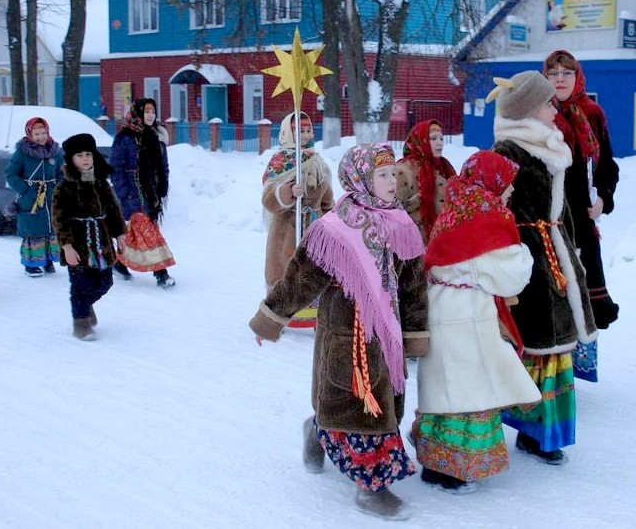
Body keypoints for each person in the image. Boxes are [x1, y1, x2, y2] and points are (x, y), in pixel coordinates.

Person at [249, 143, 428, 521]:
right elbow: (299, 280)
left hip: (387, 337)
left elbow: (413, 287)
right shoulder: (333, 229)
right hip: (347, 337)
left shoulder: (402, 224)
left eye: (393, 173)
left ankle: (317, 431)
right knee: (358, 404)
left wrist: (414, 334)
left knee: (374, 403)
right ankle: (371, 487)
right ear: (360, 178)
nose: (392, 180)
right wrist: (271, 318)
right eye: (382, 174)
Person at [411, 150, 540, 493]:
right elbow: (511, 274)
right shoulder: (486, 215)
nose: (511, 192)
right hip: (464, 317)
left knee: (447, 389)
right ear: (491, 183)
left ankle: (438, 461)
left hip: (446, 309)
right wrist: (526, 252)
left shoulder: (459, 207)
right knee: (467, 392)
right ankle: (449, 471)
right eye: (507, 185)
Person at [488, 70, 598, 465]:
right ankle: (529, 430)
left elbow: (559, 210)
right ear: (528, 108)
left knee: (555, 347)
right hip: (528, 261)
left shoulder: (549, 147)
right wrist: (525, 255)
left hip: (554, 253)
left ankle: (543, 433)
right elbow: (497, 213)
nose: (555, 108)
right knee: (536, 344)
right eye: (548, 102)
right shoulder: (508, 152)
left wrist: (569, 246)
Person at [545, 50, 621, 381]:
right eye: (553, 73)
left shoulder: (592, 114)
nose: (560, 79)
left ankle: (577, 367)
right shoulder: (538, 113)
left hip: (582, 221)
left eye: (567, 72)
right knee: (552, 296)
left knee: (582, 297)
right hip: (546, 221)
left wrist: (604, 198)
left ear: (578, 77)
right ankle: (552, 370)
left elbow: (607, 167)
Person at [262, 112, 334, 328]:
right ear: (289, 133)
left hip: (314, 229)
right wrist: (288, 191)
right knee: (285, 271)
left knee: (313, 270)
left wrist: (330, 217)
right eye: (300, 131)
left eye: (308, 130)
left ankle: (314, 316)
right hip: (287, 230)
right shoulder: (280, 162)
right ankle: (277, 317)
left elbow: (326, 197)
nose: (305, 135)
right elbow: (268, 198)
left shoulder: (316, 161)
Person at [52, 133, 126, 341]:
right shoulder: (64, 188)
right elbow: (59, 219)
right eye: (79, 156)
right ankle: (81, 323)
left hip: (101, 242)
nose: (85, 159)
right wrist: (66, 246)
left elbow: (113, 209)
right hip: (77, 244)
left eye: (88, 154)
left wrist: (119, 234)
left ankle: (85, 304)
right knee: (80, 285)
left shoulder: (101, 183)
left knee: (105, 282)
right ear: (71, 160)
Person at [109, 97, 177, 289]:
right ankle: (161, 273)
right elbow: (115, 168)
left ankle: (119, 263)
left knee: (134, 233)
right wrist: (123, 193)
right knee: (149, 232)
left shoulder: (157, 136)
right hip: (132, 192)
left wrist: (163, 187)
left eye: (153, 111)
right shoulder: (126, 137)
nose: (150, 115)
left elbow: (163, 165)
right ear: (138, 112)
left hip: (151, 193)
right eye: (146, 111)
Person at [4, 117, 64, 277]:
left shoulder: (55, 151)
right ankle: (31, 263)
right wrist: (25, 189)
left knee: (51, 228)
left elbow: (61, 172)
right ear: (30, 134)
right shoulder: (22, 152)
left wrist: (58, 186)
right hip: (31, 197)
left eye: (43, 133)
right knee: (33, 229)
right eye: (37, 133)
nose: (41, 137)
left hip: (51, 195)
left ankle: (48, 260)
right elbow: (10, 173)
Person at [395, 119, 457, 243]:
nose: (439, 143)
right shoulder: (404, 169)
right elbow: (392, 210)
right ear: (420, 140)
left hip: (442, 241)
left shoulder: (444, 167)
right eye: (433, 139)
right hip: (413, 243)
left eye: (441, 139)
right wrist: (418, 201)